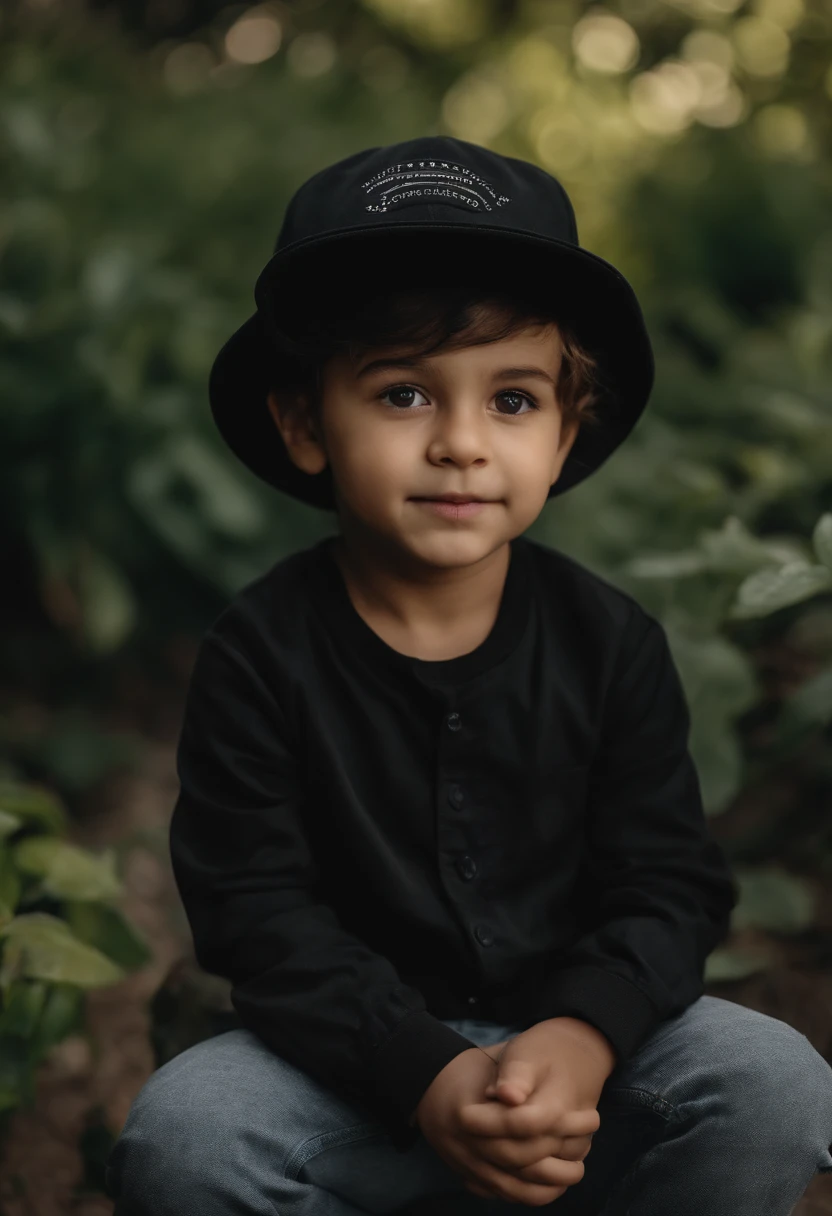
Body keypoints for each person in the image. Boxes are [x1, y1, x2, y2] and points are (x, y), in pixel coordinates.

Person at [105, 136, 832, 1216]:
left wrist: (583, 1037)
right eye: (402, 395)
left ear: (565, 428)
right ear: (305, 422)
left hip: (579, 1077)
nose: (459, 443)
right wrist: (426, 1070)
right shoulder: (259, 652)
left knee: (776, 1084)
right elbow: (256, 911)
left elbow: (665, 882)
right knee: (185, 1136)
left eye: (512, 400)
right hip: (346, 1074)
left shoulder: (609, 641)